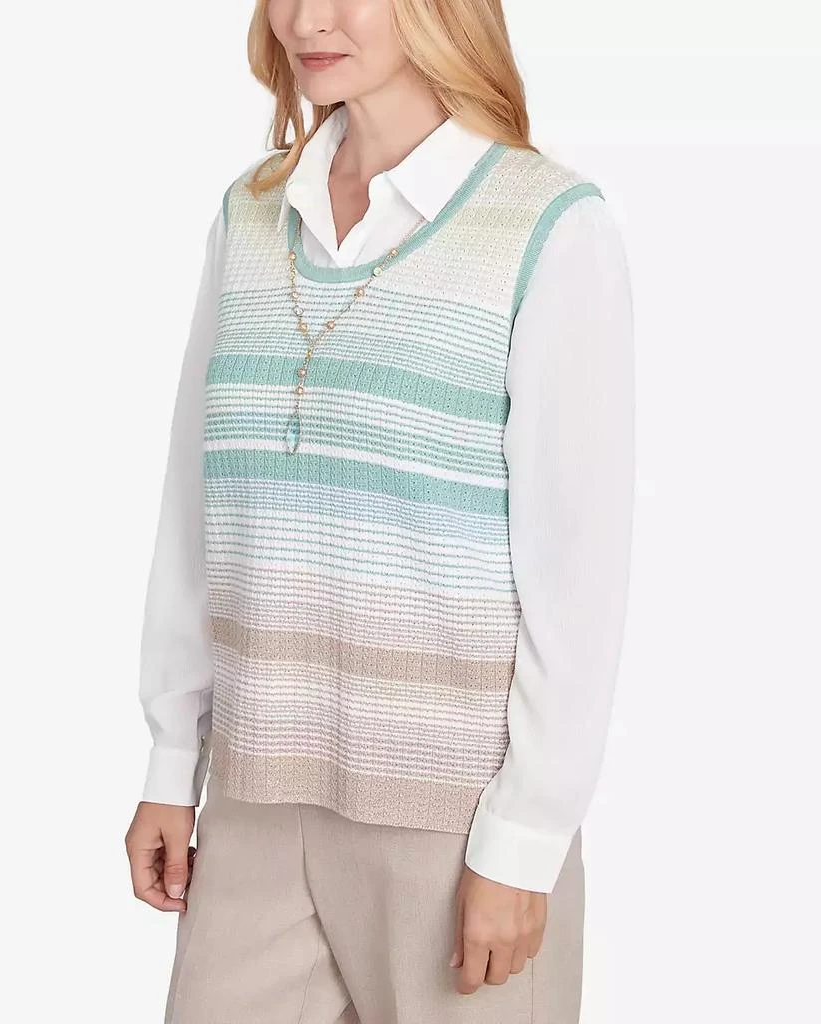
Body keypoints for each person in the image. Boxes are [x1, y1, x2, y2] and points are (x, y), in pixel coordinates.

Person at [124, 0, 635, 1021]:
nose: (306, 20)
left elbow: (577, 574)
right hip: (256, 802)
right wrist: (172, 760)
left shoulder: (546, 227)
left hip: (452, 822)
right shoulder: (251, 216)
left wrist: (525, 837)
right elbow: (196, 513)